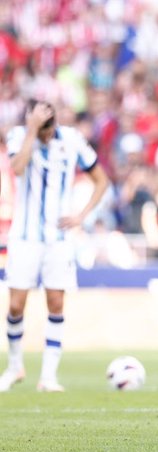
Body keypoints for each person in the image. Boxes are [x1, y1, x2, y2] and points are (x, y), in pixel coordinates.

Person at [0, 100, 110, 392]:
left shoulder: (72, 139)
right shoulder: (19, 136)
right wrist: (31, 129)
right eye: (41, 130)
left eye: (48, 130)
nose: (45, 136)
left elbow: (101, 179)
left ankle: (48, 376)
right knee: (15, 304)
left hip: (59, 238)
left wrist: (81, 216)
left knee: (57, 302)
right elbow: (17, 168)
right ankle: (14, 366)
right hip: (24, 236)